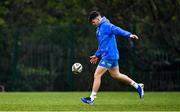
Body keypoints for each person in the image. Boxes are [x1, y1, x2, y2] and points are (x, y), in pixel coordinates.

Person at [81, 11, 144, 105]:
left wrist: (129, 35)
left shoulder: (106, 25)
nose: (93, 24)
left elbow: (117, 29)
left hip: (109, 56)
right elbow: (102, 44)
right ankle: (137, 85)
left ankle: (91, 98)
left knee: (97, 75)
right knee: (116, 75)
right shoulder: (99, 29)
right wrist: (97, 55)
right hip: (110, 55)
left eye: (93, 22)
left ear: (98, 19)